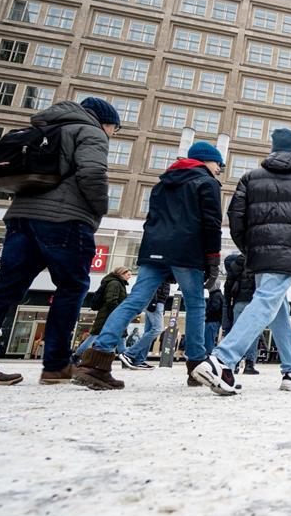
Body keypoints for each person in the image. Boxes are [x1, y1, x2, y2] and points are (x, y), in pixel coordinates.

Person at [0, 97, 117, 387]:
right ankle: (56, 366)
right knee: (71, 287)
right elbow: (92, 173)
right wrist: (99, 208)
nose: (113, 134)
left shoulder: (44, 129)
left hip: (21, 218)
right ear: (105, 122)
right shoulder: (90, 132)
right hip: (65, 220)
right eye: (115, 128)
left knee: (4, 288)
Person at [74, 141, 224, 390]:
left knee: (134, 301)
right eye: (219, 163)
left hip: (154, 249)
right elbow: (211, 223)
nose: (219, 169)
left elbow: (151, 219)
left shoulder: (162, 183)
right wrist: (213, 258)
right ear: (205, 160)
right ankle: (196, 364)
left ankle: (96, 361)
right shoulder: (207, 183)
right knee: (196, 304)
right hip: (187, 251)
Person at [192, 128, 291, 395]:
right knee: (268, 302)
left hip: (257, 252)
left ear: (273, 150)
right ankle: (221, 360)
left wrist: (250, 248)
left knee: (278, 309)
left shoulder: (250, 178)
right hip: (288, 252)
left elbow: (236, 218)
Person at [73, 266, 132, 361]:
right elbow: (111, 301)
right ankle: (76, 356)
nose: (130, 276)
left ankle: (125, 359)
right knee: (94, 336)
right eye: (128, 274)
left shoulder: (119, 283)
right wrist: (119, 313)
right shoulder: (115, 283)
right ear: (121, 273)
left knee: (121, 336)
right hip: (108, 316)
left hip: (113, 315)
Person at [119, 278, 171, 370]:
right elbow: (154, 285)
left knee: (149, 331)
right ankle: (129, 353)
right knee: (157, 329)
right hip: (155, 301)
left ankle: (139, 360)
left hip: (157, 301)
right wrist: (154, 302)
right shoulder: (162, 271)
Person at [221, 253, 259, 374]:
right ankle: (249, 364)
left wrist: (228, 307)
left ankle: (234, 363)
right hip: (253, 302)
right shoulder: (256, 265)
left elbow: (228, 290)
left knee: (237, 332)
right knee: (253, 333)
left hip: (238, 303)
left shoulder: (234, 269)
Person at [204, 288, 224, 355]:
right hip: (215, 320)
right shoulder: (218, 294)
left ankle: (208, 355)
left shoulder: (215, 295)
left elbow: (215, 308)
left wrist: (206, 313)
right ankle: (209, 354)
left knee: (209, 340)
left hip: (212, 320)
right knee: (210, 340)